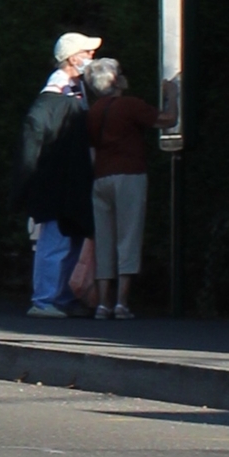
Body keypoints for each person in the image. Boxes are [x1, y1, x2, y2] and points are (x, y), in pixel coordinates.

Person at [83, 57, 167, 320]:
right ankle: (122, 302)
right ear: (113, 80)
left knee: (104, 240)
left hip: (101, 178)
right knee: (128, 237)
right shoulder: (129, 105)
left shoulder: (93, 110)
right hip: (129, 174)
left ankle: (102, 303)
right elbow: (166, 119)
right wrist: (173, 96)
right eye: (119, 72)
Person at [14, 60, 96, 317]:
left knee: (68, 240)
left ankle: (59, 296)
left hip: (64, 182)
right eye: (87, 53)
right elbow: (35, 134)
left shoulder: (72, 92)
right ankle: (45, 299)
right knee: (56, 241)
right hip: (58, 183)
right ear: (72, 59)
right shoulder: (56, 98)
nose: (90, 58)